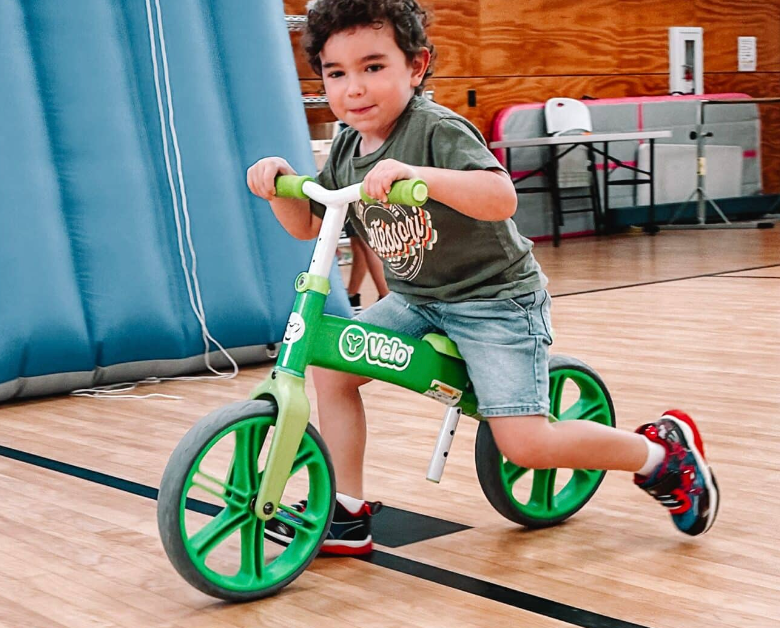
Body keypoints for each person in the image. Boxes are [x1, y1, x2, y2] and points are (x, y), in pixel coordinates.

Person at [246, 0, 718, 555]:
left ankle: (662, 456)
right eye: (337, 73)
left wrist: (417, 175)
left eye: (373, 67)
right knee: (332, 369)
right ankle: (348, 513)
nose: (354, 88)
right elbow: (308, 225)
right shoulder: (348, 145)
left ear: (416, 67)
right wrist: (277, 187)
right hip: (418, 299)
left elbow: (500, 198)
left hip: (495, 300)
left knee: (524, 444)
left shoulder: (436, 130)